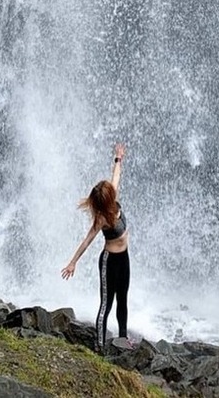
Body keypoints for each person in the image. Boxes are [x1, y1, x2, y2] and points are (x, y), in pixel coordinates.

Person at [61, 142, 131, 352]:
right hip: (109, 262)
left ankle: (123, 339)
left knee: (123, 300)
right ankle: (99, 346)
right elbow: (87, 240)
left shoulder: (114, 200)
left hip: (124, 258)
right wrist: (73, 262)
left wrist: (118, 158)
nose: (112, 189)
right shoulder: (101, 219)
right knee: (106, 305)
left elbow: (115, 176)